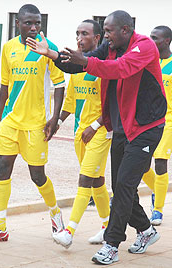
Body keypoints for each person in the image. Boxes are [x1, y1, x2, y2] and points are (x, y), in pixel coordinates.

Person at [26, 10, 167, 265]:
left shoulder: (143, 46)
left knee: (123, 186)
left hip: (147, 126)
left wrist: (86, 62)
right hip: (122, 126)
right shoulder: (109, 47)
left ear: (125, 30)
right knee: (120, 186)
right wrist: (53, 55)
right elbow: (78, 65)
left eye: (110, 31)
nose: (107, 36)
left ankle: (111, 244)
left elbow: (120, 69)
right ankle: (146, 230)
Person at [0, 4, 65, 243]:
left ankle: (56, 214)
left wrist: (54, 118)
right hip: (10, 120)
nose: (34, 28)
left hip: (36, 124)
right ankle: (0, 226)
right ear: (18, 23)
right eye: (29, 23)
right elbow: (4, 85)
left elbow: (59, 85)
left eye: (38, 23)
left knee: (37, 175)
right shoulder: (8, 48)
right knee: (3, 168)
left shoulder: (48, 48)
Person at [53, 19, 112, 248]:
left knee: (85, 179)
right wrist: (57, 121)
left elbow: (111, 106)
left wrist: (94, 127)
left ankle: (69, 231)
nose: (79, 38)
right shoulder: (76, 66)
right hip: (81, 133)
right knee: (97, 181)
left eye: (85, 33)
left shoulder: (105, 65)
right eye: (77, 33)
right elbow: (70, 102)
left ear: (97, 38)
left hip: (100, 131)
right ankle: (108, 227)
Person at [142, 26, 172, 226]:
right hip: (148, 120)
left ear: (167, 41)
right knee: (142, 164)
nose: (151, 41)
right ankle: (157, 190)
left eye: (156, 38)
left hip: (168, 120)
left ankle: (158, 210)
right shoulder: (148, 62)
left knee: (160, 162)